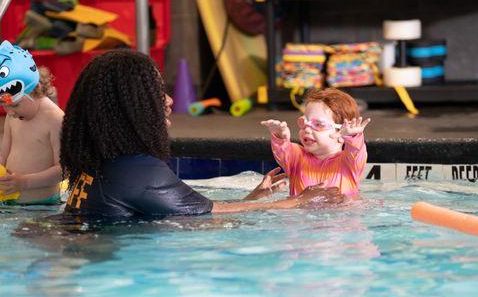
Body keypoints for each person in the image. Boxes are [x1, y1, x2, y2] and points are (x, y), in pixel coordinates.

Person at [60, 49, 342, 219]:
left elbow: (192, 209)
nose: (169, 101)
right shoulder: (139, 172)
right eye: (155, 94)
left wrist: (250, 201)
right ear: (128, 107)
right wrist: (298, 202)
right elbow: (209, 217)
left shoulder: (104, 162)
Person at [0, 40, 64, 205]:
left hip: (43, 208)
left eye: (15, 105)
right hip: (9, 204)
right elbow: (2, 155)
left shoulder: (56, 119)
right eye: (3, 107)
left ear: (33, 89)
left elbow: (64, 170)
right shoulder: (12, 116)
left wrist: (24, 182)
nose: (10, 112)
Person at [261, 88, 369, 197]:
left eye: (318, 124)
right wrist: (280, 137)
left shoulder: (349, 164)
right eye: (304, 122)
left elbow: (356, 151)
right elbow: (282, 151)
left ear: (342, 134)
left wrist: (352, 136)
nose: (307, 129)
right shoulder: (297, 158)